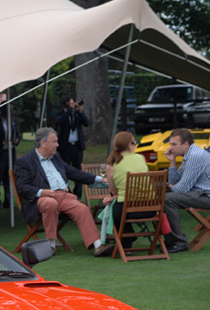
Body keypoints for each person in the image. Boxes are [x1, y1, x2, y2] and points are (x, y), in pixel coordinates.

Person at [13, 127, 109, 256]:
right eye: (54, 142)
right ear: (43, 143)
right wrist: (42, 192)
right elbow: (22, 187)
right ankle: (51, 245)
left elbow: (73, 172)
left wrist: (100, 179)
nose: (57, 145)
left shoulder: (55, 156)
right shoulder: (25, 161)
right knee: (50, 203)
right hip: (41, 198)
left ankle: (98, 246)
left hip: (64, 196)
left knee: (82, 209)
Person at [162, 128, 210, 254]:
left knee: (166, 199)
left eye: (174, 144)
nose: (171, 148)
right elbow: (175, 182)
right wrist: (172, 162)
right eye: (170, 144)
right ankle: (171, 240)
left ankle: (179, 242)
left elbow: (181, 189)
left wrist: (170, 187)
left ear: (185, 144)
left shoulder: (195, 156)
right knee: (163, 194)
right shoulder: (191, 154)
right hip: (202, 194)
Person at [99, 131, 149, 255]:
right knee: (118, 207)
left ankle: (126, 244)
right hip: (150, 207)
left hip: (127, 209)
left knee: (115, 211)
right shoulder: (140, 158)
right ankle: (128, 239)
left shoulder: (112, 164)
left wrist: (116, 195)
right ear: (129, 145)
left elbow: (113, 191)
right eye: (134, 142)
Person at [53, 97, 89, 196]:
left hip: (77, 147)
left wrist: (80, 112)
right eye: (71, 103)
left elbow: (87, 123)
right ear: (66, 103)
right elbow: (59, 122)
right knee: (64, 170)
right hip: (65, 147)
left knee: (78, 170)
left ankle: (78, 194)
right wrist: (69, 111)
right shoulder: (61, 113)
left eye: (74, 103)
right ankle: (67, 193)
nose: (73, 104)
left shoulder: (77, 114)